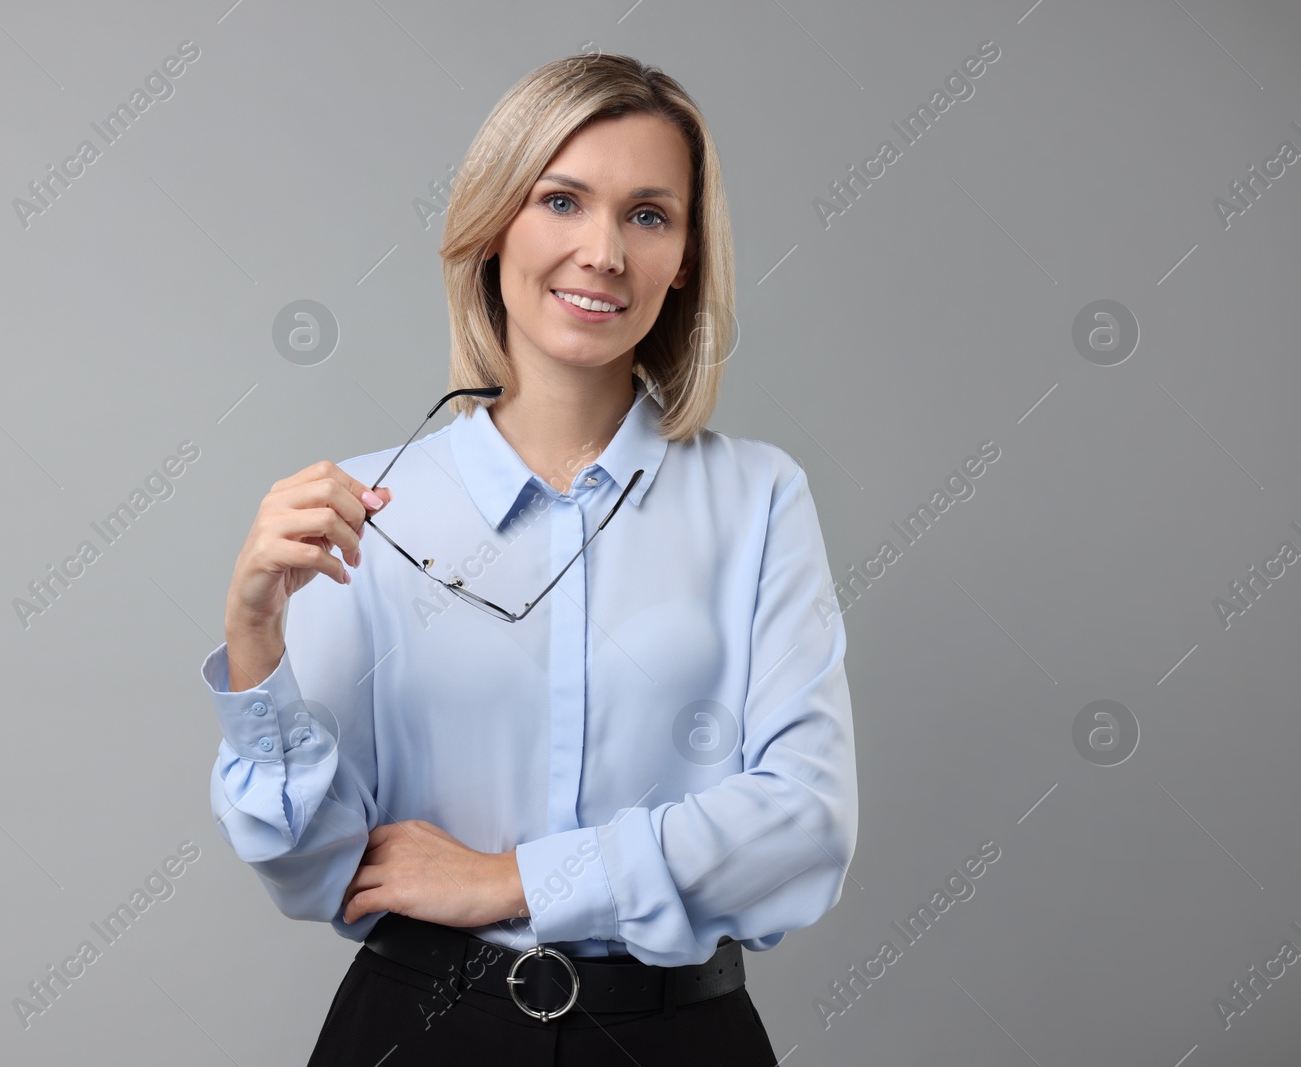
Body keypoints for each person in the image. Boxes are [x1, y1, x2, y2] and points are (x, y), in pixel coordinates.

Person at [204, 52, 858, 1066]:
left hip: (677, 1036)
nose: (601, 251)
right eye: (561, 200)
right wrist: (255, 640)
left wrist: (516, 878)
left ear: (684, 256)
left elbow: (804, 824)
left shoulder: (757, 498)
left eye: (648, 215)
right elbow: (311, 868)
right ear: (496, 221)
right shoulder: (365, 509)